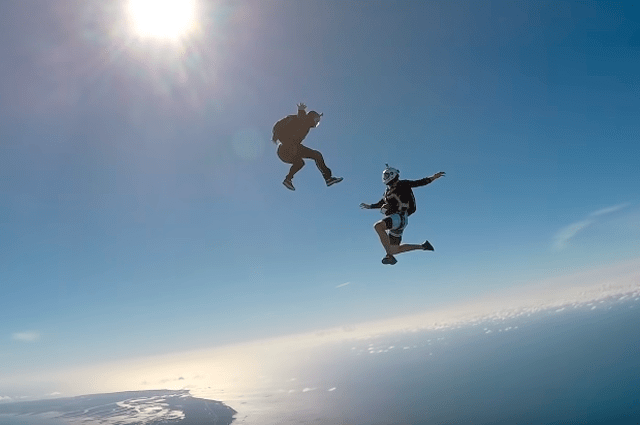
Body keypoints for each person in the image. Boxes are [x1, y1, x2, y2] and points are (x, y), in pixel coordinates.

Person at [360, 165, 445, 265]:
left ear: (392, 175)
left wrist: (433, 177)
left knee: (378, 226)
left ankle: (389, 256)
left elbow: (419, 182)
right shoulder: (387, 191)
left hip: (400, 217)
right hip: (399, 220)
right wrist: (370, 206)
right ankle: (423, 246)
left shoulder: (403, 184)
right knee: (394, 249)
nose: (385, 177)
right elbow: (381, 203)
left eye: (387, 175)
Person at [272, 103, 343, 191]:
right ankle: (328, 178)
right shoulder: (304, 120)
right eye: (317, 120)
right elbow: (298, 120)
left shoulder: (306, 124)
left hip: (288, 151)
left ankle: (288, 180)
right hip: (286, 148)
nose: (317, 123)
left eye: (318, 122)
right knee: (316, 155)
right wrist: (301, 110)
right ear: (312, 117)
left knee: (301, 162)